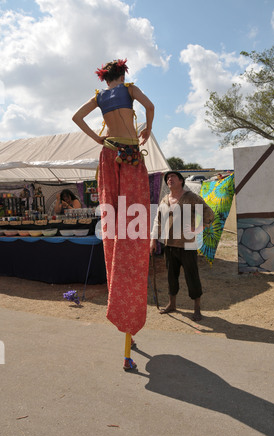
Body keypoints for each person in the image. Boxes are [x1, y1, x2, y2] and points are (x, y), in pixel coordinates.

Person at [72, 59, 154, 371]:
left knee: (115, 226)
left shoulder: (99, 97)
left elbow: (77, 117)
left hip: (108, 153)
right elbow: (151, 107)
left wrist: (97, 138)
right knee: (132, 229)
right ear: (123, 75)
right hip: (131, 155)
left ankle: (122, 313)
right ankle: (129, 314)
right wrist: (148, 128)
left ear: (106, 79)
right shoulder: (131, 90)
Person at [150, 171, 214, 321]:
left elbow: (208, 213)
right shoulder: (164, 200)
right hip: (169, 245)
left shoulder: (191, 197)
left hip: (188, 245)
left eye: (173, 177)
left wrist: (198, 228)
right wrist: (153, 239)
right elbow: (157, 221)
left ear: (181, 181)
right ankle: (172, 304)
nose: (169, 179)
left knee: (192, 276)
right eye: (167, 178)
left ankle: (197, 309)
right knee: (171, 276)